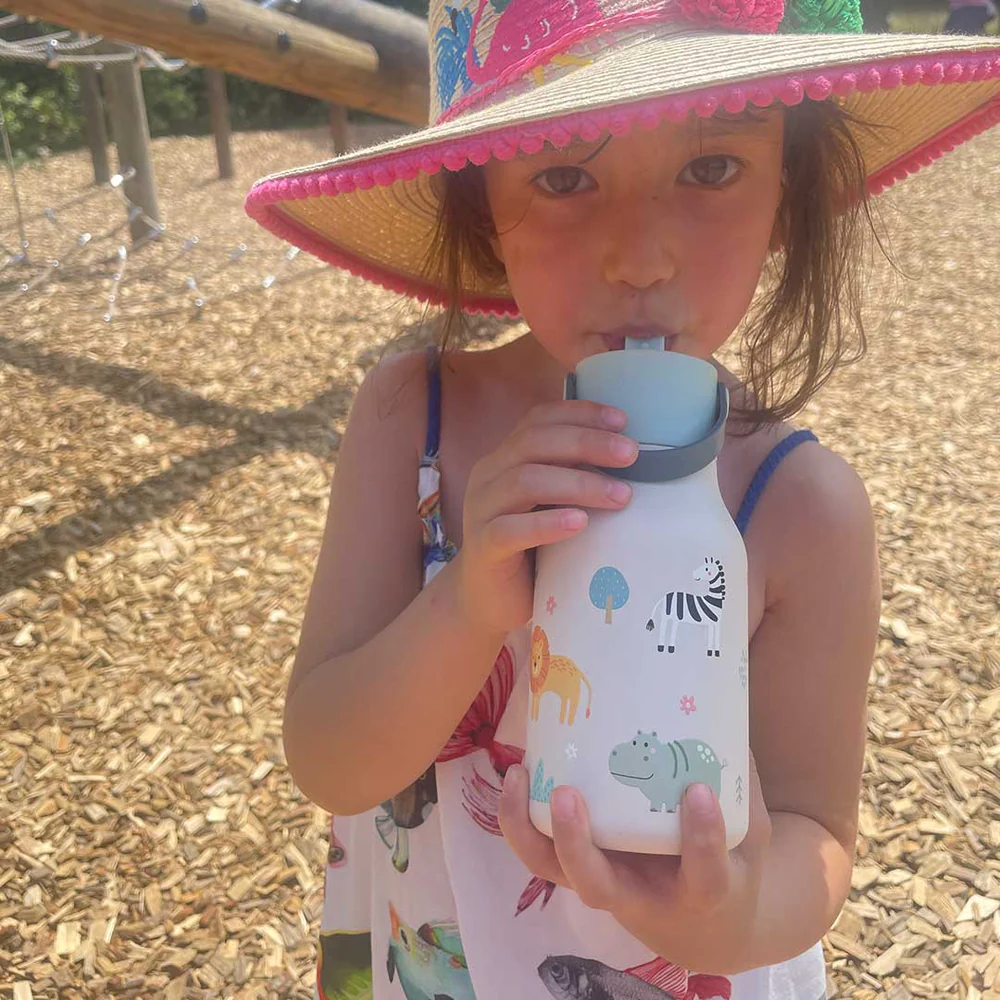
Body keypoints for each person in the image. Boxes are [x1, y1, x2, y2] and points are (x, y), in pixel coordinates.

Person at [245, 3, 1000, 998]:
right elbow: (328, 760)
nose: (641, 257)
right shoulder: (413, 423)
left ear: (788, 187)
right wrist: (465, 604)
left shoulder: (798, 507)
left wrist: (732, 913)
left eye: (711, 167)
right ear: (480, 202)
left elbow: (815, 831)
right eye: (564, 176)